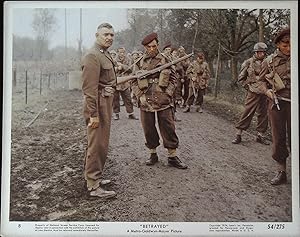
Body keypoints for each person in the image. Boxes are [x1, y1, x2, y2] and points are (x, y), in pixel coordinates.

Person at [131, 32, 188, 169]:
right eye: (149, 47)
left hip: (163, 100)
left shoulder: (166, 60)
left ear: (158, 45)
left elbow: (173, 79)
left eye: (154, 46)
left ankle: (172, 156)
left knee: (168, 127)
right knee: (148, 129)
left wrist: (168, 94)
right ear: (145, 47)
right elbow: (133, 82)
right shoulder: (139, 63)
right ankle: (152, 154)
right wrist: (140, 96)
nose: (152, 49)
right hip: (146, 101)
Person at [81, 23, 117, 198]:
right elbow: (89, 90)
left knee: (101, 143)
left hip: (105, 104)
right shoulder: (92, 56)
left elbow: (108, 80)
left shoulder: (104, 54)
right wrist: (93, 115)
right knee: (96, 144)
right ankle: (94, 186)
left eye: (112, 34)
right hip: (97, 106)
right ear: (97, 35)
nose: (109, 37)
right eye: (106, 34)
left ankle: (95, 177)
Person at [257, 28, 291, 185]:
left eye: (292, 43)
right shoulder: (269, 61)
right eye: (285, 44)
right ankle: (281, 172)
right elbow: (261, 82)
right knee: (279, 138)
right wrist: (267, 91)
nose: (289, 47)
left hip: (294, 104)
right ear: (278, 44)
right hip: (277, 103)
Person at [232, 42, 270, 145]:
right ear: (255, 52)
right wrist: (247, 86)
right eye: (259, 52)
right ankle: (238, 134)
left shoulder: (269, 63)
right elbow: (241, 78)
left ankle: (260, 135)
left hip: (265, 92)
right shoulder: (248, 62)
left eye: (263, 52)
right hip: (252, 91)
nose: (261, 54)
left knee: (264, 113)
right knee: (247, 112)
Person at [112, 47, 138, 120]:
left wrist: (122, 66)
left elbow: (130, 69)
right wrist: (117, 68)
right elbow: (110, 70)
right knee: (115, 99)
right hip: (116, 82)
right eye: (120, 52)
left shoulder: (128, 59)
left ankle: (131, 113)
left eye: (123, 52)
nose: (122, 54)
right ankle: (116, 114)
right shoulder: (113, 60)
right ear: (118, 53)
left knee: (128, 99)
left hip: (125, 82)